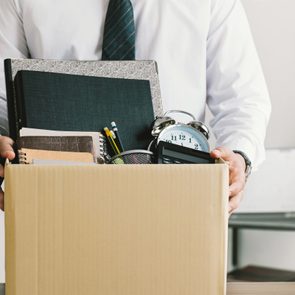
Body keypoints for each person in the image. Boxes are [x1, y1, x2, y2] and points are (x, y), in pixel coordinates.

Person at [0, 0, 271, 213]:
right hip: (54, 198)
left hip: (176, 198)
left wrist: (239, 157)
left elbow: (243, 101)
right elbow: (2, 98)